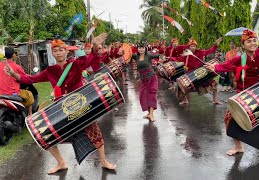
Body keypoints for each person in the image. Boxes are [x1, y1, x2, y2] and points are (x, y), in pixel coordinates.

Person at [5, 33, 117, 174]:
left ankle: (104, 161)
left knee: (95, 132)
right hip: (60, 108)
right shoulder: (50, 71)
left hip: (79, 105)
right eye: (55, 51)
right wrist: (14, 75)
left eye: (60, 50)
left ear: (66, 51)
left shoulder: (75, 64)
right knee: (47, 134)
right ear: (52, 53)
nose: (58, 53)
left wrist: (95, 46)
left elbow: (89, 60)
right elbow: (31, 79)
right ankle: (61, 163)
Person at [171, 37, 222, 105]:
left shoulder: (200, 52)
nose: (192, 47)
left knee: (214, 84)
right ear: (189, 47)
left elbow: (209, 51)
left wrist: (215, 45)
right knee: (180, 86)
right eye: (191, 46)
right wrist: (170, 58)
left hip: (200, 73)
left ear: (196, 46)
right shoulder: (186, 55)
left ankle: (215, 100)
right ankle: (185, 100)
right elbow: (179, 58)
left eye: (194, 46)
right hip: (190, 74)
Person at [131, 43, 161, 122]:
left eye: (143, 48)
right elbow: (126, 56)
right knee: (142, 95)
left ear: (145, 49)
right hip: (143, 79)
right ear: (138, 49)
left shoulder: (148, 55)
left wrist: (161, 54)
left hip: (151, 77)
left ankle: (151, 114)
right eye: (140, 48)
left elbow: (158, 55)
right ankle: (148, 113)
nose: (141, 49)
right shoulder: (135, 56)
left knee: (151, 94)